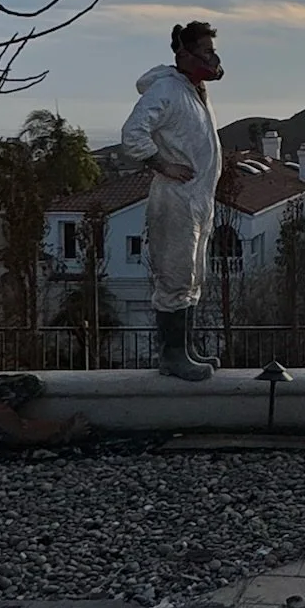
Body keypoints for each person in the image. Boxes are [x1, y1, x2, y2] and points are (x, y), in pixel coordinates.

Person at [121, 20, 225, 380]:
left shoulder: (192, 90)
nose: (213, 58)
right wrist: (161, 164)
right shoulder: (165, 90)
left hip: (198, 198)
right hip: (176, 199)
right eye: (206, 51)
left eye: (213, 51)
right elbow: (133, 134)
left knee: (193, 275)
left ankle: (187, 349)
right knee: (175, 276)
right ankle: (172, 356)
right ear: (184, 53)